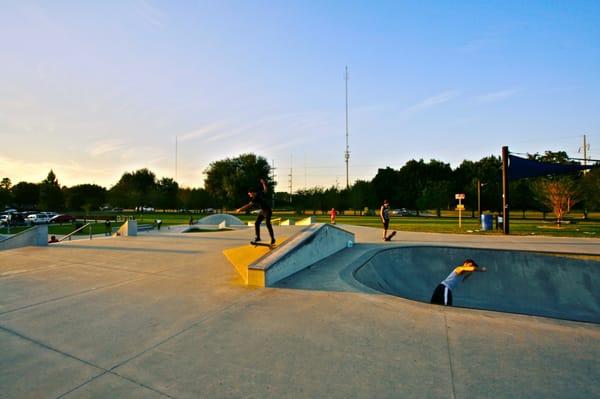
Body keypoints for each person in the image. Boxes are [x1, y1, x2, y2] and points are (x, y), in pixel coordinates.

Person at [236, 178, 275, 245]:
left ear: (253, 193)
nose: (250, 196)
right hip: (262, 211)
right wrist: (263, 183)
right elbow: (265, 190)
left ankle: (272, 239)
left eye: (250, 194)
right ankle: (258, 237)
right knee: (257, 223)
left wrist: (240, 209)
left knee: (268, 224)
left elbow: (248, 205)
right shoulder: (259, 193)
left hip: (268, 211)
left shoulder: (256, 197)